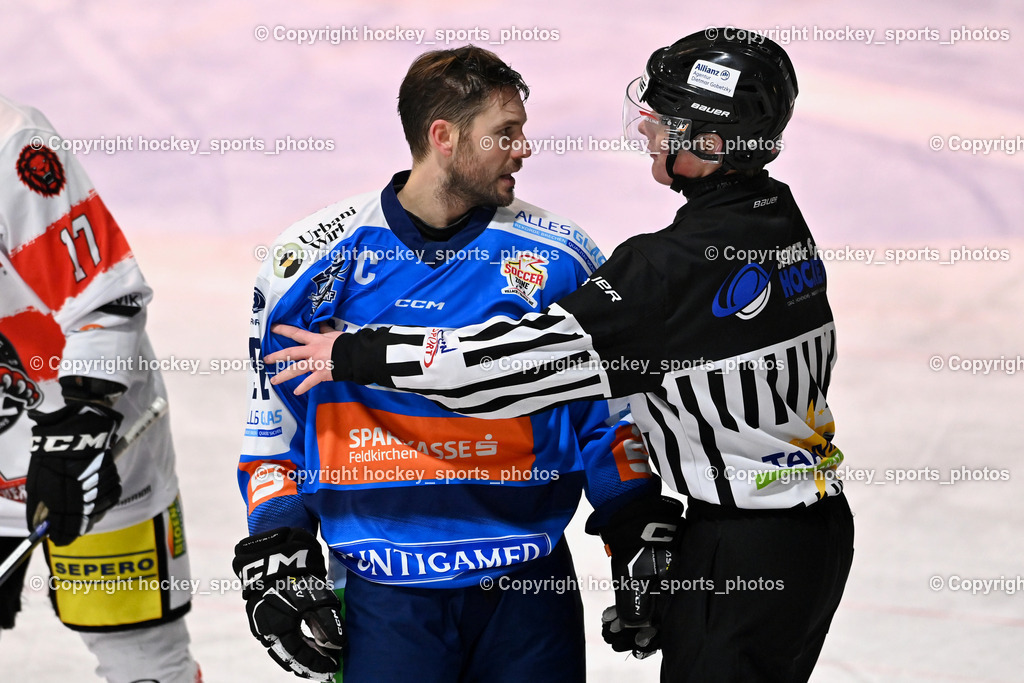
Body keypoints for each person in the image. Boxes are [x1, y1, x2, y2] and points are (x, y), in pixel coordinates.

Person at [267, 30, 856, 683]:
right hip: (812, 532)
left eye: (666, 117)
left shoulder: (663, 267)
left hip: (740, 544)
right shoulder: (777, 217)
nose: (647, 126)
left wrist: (362, 352)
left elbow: (517, 364)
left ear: (712, 144)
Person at [233, 45, 657, 683]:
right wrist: (278, 545)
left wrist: (633, 525)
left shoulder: (562, 258)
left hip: (529, 587)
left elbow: (607, 413)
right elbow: (275, 425)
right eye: (504, 134)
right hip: (383, 593)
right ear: (444, 138)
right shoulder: (313, 262)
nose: (523, 149)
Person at [0, 94, 201, 682]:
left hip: (88, 444)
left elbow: (104, 300)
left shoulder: (11, 142)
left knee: (142, 662)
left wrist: (83, 428)